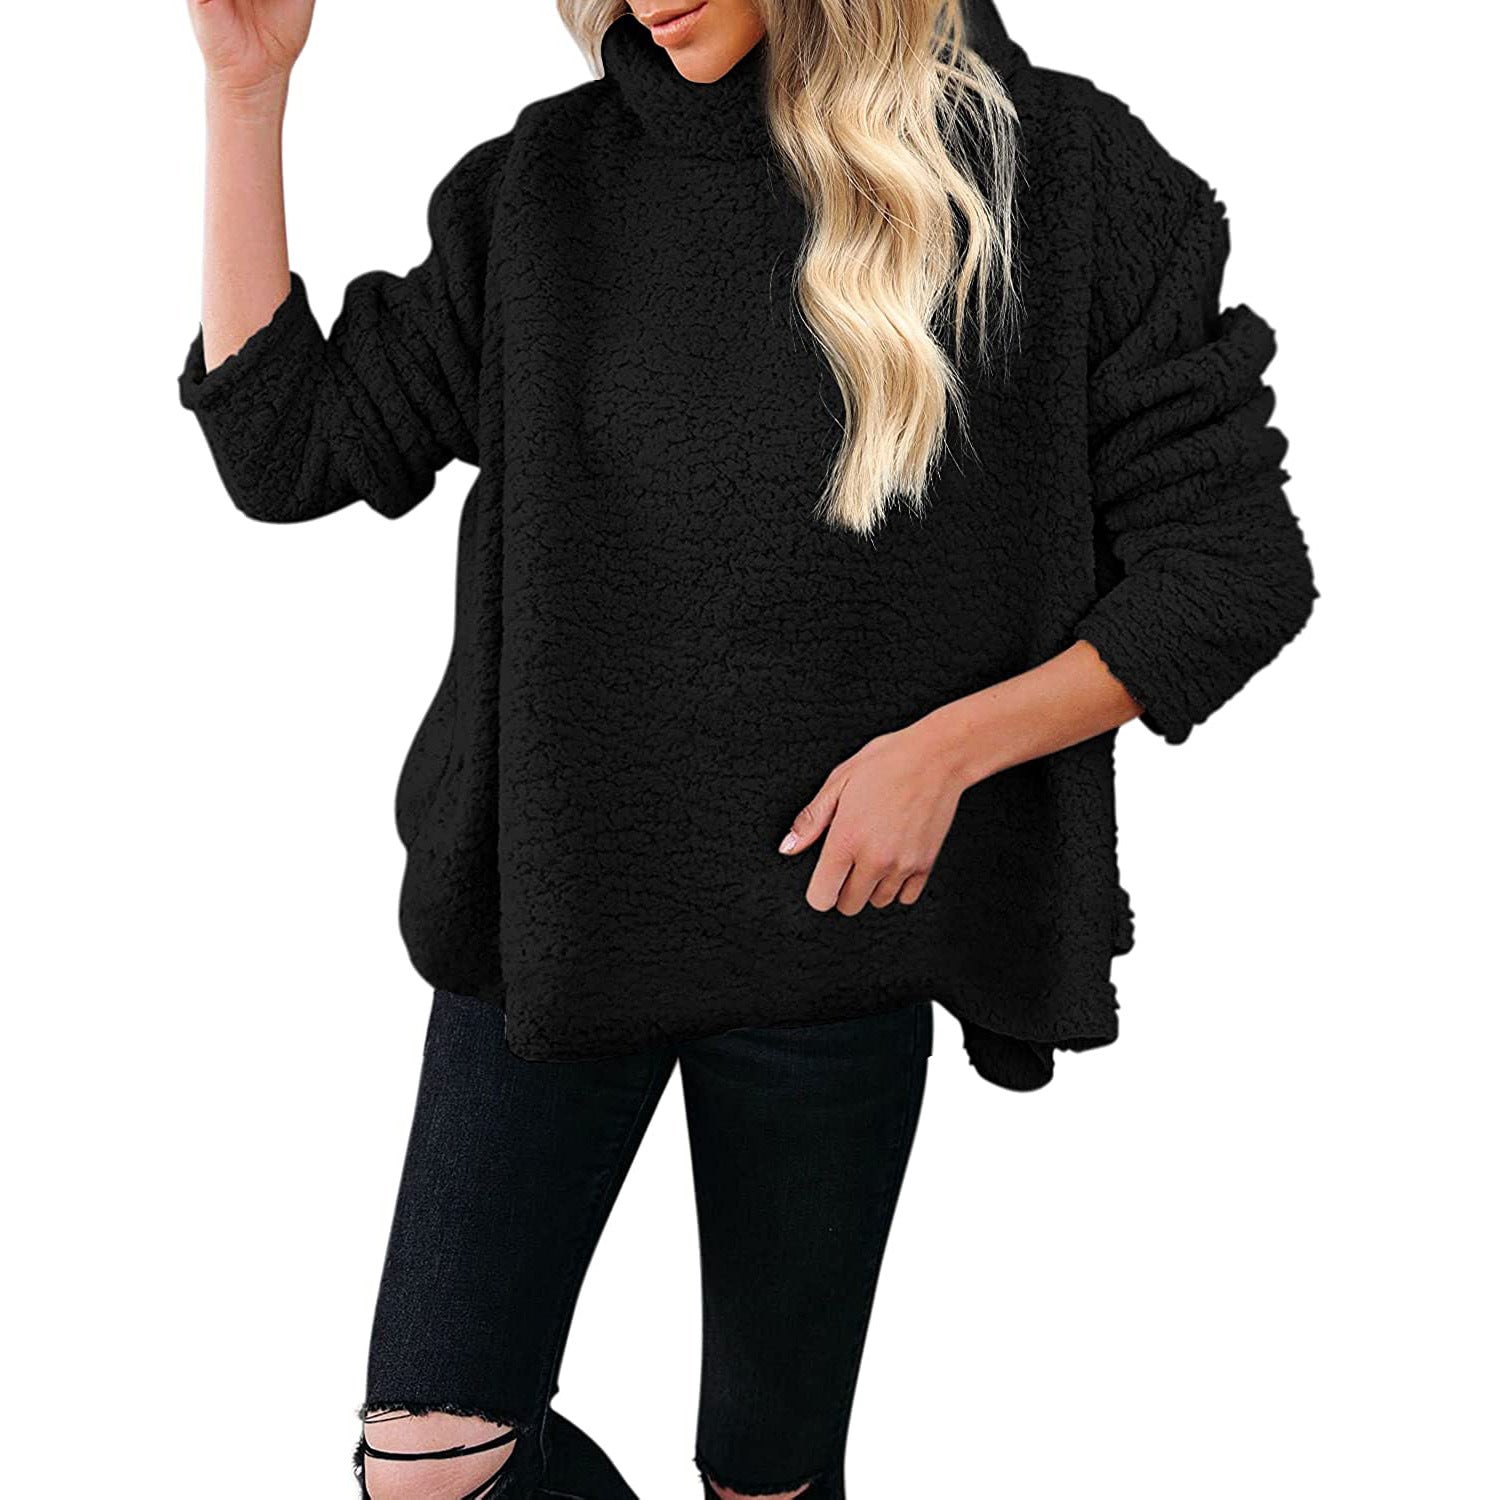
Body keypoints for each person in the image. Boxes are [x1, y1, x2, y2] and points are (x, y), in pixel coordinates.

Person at [178, 0, 1316, 1494]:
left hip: (835, 934)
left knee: (765, 1482)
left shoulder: (1057, 175)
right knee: (430, 1458)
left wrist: (946, 756)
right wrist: (246, 95)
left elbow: (1233, 568)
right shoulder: (545, 189)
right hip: (554, 920)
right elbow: (287, 448)